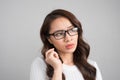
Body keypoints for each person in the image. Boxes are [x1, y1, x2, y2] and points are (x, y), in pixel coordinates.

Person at [30, 9, 102, 80]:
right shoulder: (40, 64)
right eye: (59, 34)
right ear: (49, 39)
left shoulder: (91, 66)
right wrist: (57, 69)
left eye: (72, 30)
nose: (68, 38)